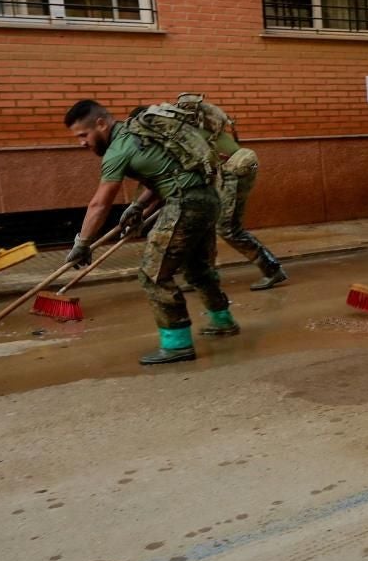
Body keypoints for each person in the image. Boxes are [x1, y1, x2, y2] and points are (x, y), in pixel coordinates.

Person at [63, 100, 238, 365]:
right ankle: (222, 320)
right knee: (197, 269)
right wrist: (138, 206)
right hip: (207, 198)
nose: (82, 143)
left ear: (101, 123)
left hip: (186, 204)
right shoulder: (140, 132)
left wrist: (83, 243)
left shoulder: (117, 150)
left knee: (153, 274)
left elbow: (99, 203)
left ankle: (177, 344)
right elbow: (167, 173)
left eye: (83, 135)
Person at [178, 95, 287, 291]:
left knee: (228, 228)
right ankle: (204, 276)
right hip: (232, 171)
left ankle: (272, 269)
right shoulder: (207, 128)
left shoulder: (195, 133)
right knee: (207, 226)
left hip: (234, 173)